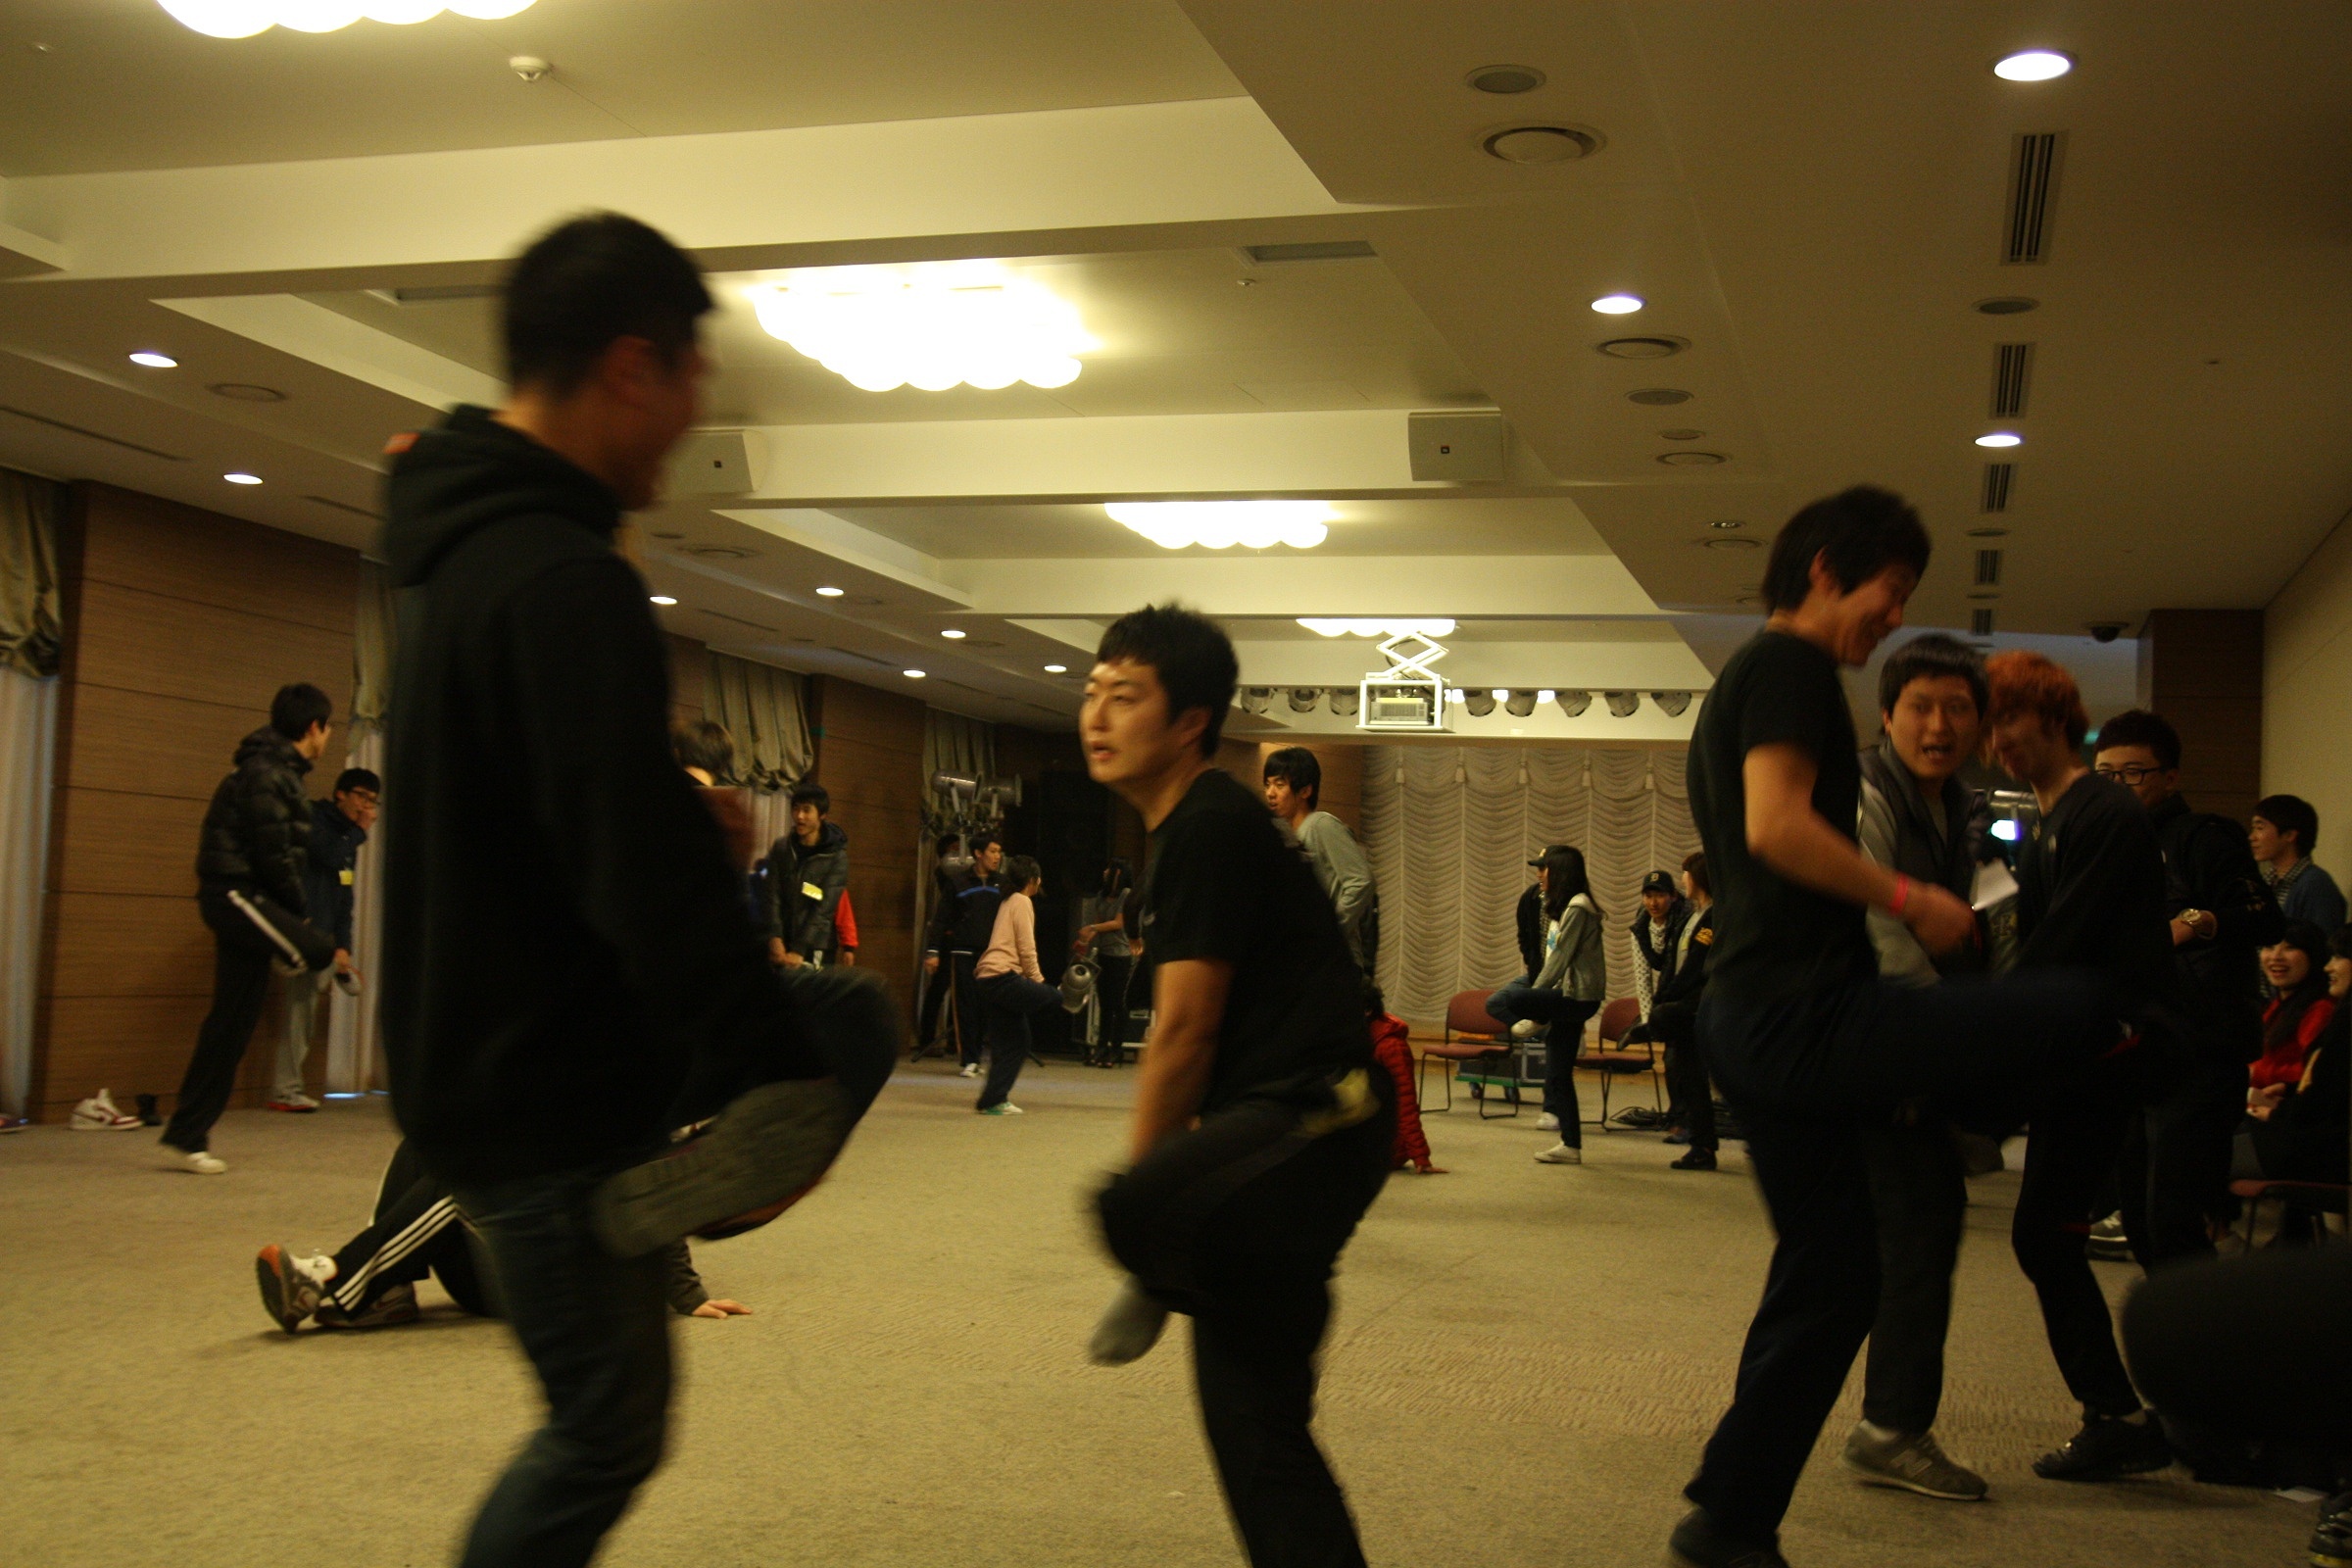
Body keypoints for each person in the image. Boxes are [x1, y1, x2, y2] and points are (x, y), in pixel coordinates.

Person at [379, 212, 872, 1568]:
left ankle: (659, 1196)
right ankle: (652, 1196)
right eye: (695, 379)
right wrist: (764, 1060)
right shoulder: (560, 579)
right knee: (604, 1429)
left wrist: (671, 816)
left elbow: (552, 816)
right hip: (544, 1083)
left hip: (484, 1060)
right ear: (631, 366)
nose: (696, 419)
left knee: (612, 1418)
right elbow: (629, 870)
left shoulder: (466, 556)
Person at [1667, 486, 2114, 1568]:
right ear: (1827, 569)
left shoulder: (1753, 680)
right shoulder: (1787, 669)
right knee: (2084, 1006)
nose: (1894, 617)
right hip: (1799, 1016)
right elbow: (1776, 826)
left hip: (1758, 1020)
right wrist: (1911, 899)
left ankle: (1729, 1522)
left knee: (1834, 1279)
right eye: (1891, 590)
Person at [1081, 604, 1392, 1568]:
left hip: (1317, 1116)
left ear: (1189, 723)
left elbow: (1184, 1030)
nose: (1096, 714)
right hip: (1297, 1126)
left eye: (1124, 696)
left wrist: (1151, 1210)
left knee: (1128, 1207)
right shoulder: (1198, 826)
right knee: (1253, 1423)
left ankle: (1166, 1264)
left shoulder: (1209, 827)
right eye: (1092, 692)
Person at [1984, 651, 2180, 1482]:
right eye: (1990, 728)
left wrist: (1976, 1025)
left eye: (2009, 721)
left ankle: (2125, 1416)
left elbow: (2064, 945)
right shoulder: (2053, 818)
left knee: (2051, 1235)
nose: (1997, 742)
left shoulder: (2102, 812)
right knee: (2049, 1236)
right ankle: (2123, 1414)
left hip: (2110, 1052)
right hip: (2082, 1053)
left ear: (2055, 717)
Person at [1842, 633, 1991, 1501]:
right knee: (1914, 1230)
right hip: (1878, 1045)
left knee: (1907, 1234)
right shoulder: (1868, 791)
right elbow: (1878, 931)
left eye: (1957, 709)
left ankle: (1889, 1423)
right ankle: (1890, 1428)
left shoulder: (1957, 805)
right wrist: (1955, 1025)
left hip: (1905, 1044)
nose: (1939, 726)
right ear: (1887, 715)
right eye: (1921, 708)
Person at [2094, 709, 2282, 1270]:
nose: (2119, 786)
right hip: (2133, 1047)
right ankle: (2176, 1323)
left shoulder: (2202, 836)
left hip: (2199, 1048)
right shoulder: (2106, 844)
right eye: (2105, 774)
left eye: (2133, 773)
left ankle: (2201, 1325)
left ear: (2170, 777)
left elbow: (2263, 915)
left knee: (2171, 1218)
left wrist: (2191, 922)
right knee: (2135, 1216)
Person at [254, 1139, 748, 1332]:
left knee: (457, 1191)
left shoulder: (630, 1076)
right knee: (430, 1143)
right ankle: (386, 1292)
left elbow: (660, 1192)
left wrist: (687, 1294)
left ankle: (330, 1280)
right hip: (503, 1258)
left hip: (548, 1288)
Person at [160, 681, 337, 1174]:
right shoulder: (268, 774)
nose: (328, 737)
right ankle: (290, 954)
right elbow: (274, 854)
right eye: (328, 728)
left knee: (231, 1024)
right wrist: (298, 918)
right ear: (313, 728)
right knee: (318, 950)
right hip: (237, 896)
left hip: (248, 901)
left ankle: (187, 1136)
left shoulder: (277, 771)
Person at [270, 766, 379, 1113]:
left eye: (373, 801)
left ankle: (338, 965)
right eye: (361, 796)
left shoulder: (348, 839)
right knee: (300, 1008)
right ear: (340, 794)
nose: (366, 806)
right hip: (295, 927)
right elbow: (327, 855)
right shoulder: (314, 819)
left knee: (309, 1007)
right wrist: (359, 832)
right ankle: (285, 1091)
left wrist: (343, 944)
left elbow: (345, 894)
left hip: (322, 935)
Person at [1485, 846, 1604, 1161]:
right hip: (1565, 997)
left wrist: (1537, 1000)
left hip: (1578, 997)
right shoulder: (1560, 907)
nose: (1539, 875)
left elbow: (1560, 958)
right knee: (1558, 1074)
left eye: (1544, 868)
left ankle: (1539, 1021)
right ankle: (1571, 1146)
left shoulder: (1578, 907)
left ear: (1559, 871)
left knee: (1514, 998)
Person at [1263, 746, 1379, 974]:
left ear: (1305, 790)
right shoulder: (1289, 836)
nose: (1270, 793)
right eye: (1267, 784)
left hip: (1334, 962)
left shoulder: (1321, 825)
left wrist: (1328, 930)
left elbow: (1362, 881)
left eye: (1279, 784)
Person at [973, 856, 1057, 1114]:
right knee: (1056, 998)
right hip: (1002, 976)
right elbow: (1026, 948)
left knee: (1015, 1041)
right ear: (1034, 880)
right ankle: (994, 1099)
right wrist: (1039, 982)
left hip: (988, 977)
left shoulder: (1007, 900)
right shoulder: (1022, 901)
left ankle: (992, 1100)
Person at [1654, 853, 1717, 1171]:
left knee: (1694, 1078)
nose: (1682, 880)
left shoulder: (1714, 916)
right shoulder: (1693, 915)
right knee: (1687, 1077)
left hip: (1697, 1008)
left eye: (1686, 874)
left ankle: (1703, 1146)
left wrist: (1669, 996)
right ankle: (1701, 1143)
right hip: (1684, 1003)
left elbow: (1694, 967)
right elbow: (1673, 962)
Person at [926, 833, 1006, 1074]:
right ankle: (969, 1059)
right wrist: (933, 951)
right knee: (966, 1005)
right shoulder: (958, 882)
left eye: (999, 852)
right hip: (962, 952)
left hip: (992, 954)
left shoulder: (1003, 884)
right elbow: (941, 919)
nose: (997, 857)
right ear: (978, 854)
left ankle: (978, 1053)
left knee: (986, 1006)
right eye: (992, 851)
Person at [764, 780, 849, 968]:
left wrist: (799, 949)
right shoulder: (782, 847)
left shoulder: (836, 857)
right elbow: (772, 894)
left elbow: (824, 907)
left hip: (815, 945)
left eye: (806, 810)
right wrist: (775, 936)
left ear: (822, 814)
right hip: (782, 941)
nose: (799, 816)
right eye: (795, 809)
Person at [1367, 981, 1443, 1174]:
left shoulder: (1392, 1047)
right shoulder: (1351, 1036)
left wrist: (1420, 1156)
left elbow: (1405, 1102)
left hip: (1387, 1143)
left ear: (1367, 1010)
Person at [1073, 859, 1143, 1067]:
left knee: (1118, 1003)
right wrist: (1085, 939)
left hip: (1121, 954)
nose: (1105, 872)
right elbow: (1098, 924)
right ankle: (1101, 1046)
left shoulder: (1126, 894)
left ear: (1118, 873)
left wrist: (1092, 928)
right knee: (1104, 1003)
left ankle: (1117, 1048)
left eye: (1109, 869)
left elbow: (1118, 923)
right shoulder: (1101, 896)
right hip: (1104, 953)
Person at [2252, 794, 2346, 934]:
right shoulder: (2265, 881)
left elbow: (2319, 942)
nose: (2252, 837)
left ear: (2289, 835)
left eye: (2260, 828)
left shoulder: (2316, 885)